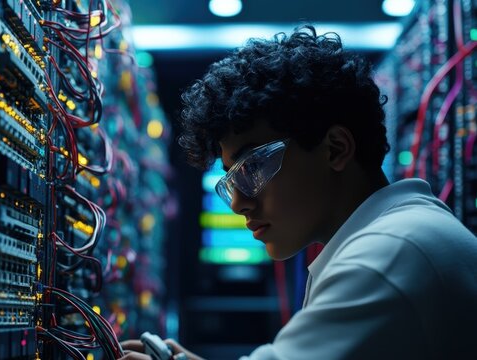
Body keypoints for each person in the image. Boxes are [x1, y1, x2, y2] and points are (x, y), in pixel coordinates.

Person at [119, 25, 477, 359]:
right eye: (231, 179)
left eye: (253, 167)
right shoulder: (403, 233)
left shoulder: (389, 254)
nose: (240, 202)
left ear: (335, 149)